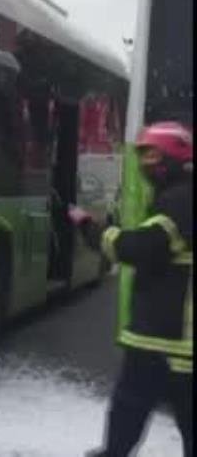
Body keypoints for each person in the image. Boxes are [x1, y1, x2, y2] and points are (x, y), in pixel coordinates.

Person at [83, 121, 192, 457]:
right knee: (135, 408)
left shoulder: (181, 200)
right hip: (168, 337)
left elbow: (144, 247)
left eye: (153, 154)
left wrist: (96, 232)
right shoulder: (178, 195)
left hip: (166, 336)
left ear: (174, 156)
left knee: (131, 404)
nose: (146, 163)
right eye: (142, 154)